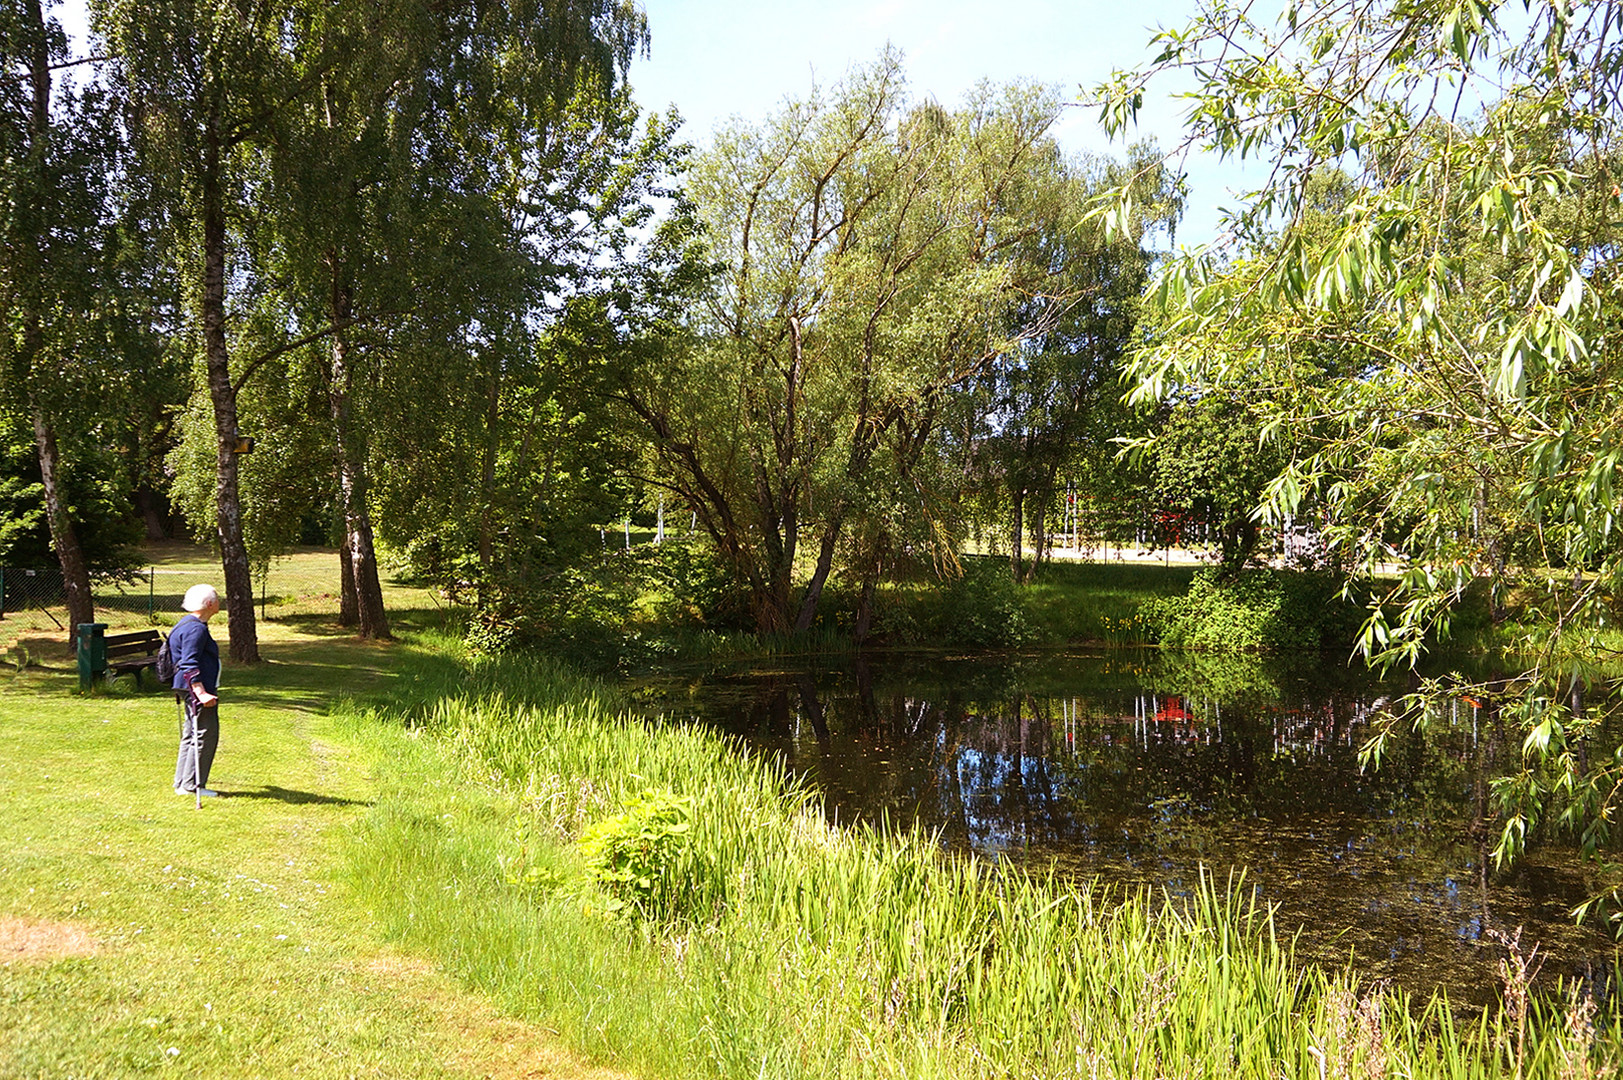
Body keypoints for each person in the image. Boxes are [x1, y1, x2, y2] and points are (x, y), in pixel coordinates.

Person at [171, 583, 223, 797]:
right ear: (210, 604)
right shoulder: (195, 628)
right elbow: (189, 663)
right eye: (218, 598)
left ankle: (182, 783)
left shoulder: (186, 624)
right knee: (205, 734)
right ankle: (192, 785)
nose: (220, 601)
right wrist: (200, 691)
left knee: (191, 734)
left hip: (186, 687)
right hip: (197, 689)